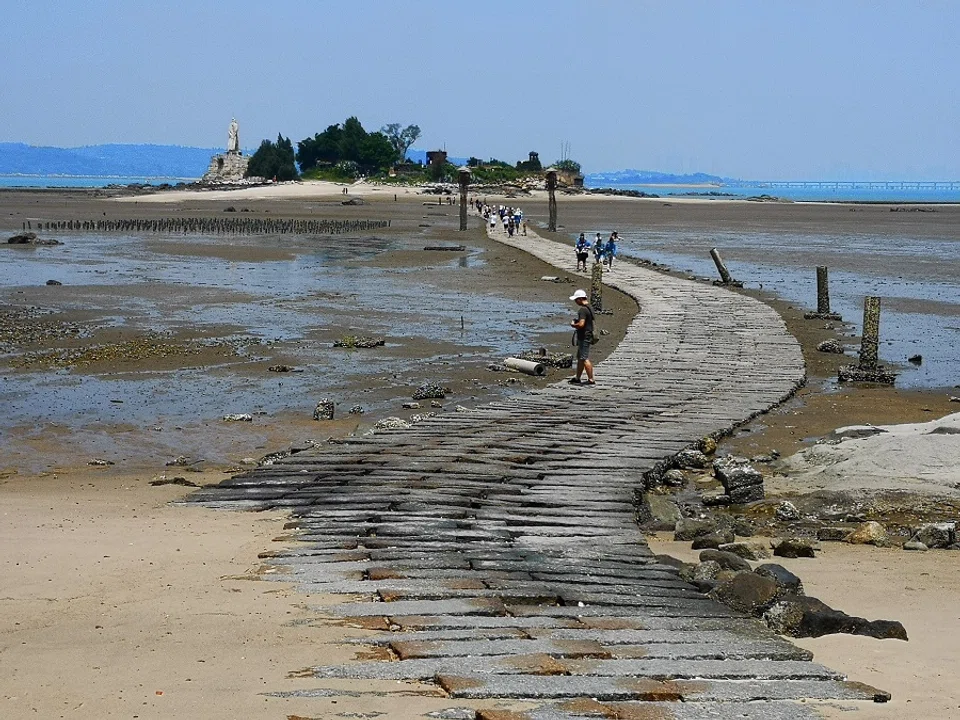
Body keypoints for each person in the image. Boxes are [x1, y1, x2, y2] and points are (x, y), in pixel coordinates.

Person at [568, 289, 595, 385]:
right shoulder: (589, 308)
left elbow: (581, 324)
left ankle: (591, 379)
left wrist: (573, 324)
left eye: (576, 300)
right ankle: (577, 377)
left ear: (580, 299)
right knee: (580, 358)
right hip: (588, 334)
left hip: (584, 336)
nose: (575, 302)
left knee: (584, 358)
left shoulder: (582, 310)